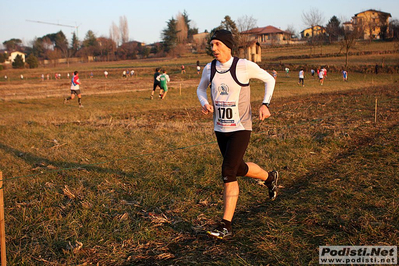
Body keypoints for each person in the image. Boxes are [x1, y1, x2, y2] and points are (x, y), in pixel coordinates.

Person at [197, 29, 279, 240]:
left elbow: (269, 79)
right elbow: (200, 90)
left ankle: (226, 225)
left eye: (217, 44)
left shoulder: (243, 66)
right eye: (212, 45)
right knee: (239, 168)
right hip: (220, 128)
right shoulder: (210, 68)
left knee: (228, 171)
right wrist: (205, 102)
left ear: (227, 45)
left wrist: (265, 104)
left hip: (241, 127)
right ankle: (270, 178)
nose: (213, 48)